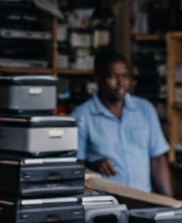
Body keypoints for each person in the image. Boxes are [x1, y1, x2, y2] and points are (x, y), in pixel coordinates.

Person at [71, 49, 174, 196]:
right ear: (97, 79)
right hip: (104, 204)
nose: (121, 82)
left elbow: (157, 159)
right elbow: (73, 166)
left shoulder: (145, 109)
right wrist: (91, 165)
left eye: (125, 76)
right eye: (113, 76)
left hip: (143, 200)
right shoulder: (81, 116)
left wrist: (170, 204)